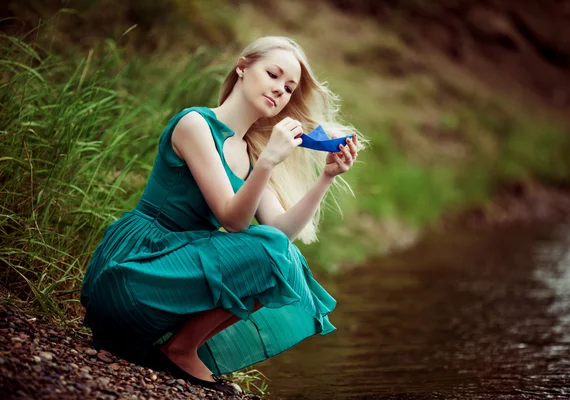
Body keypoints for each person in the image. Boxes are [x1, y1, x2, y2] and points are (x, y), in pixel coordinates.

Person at [80, 36, 365, 396]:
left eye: (289, 88)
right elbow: (233, 220)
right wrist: (267, 162)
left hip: (174, 274)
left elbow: (280, 233)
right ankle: (180, 349)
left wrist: (326, 177)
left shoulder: (249, 154)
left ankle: (181, 346)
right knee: (271, 249)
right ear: (243, 67)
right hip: (134, 274)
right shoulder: (196, 125)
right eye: (273, 74)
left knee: (284, 253)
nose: (280, 90)